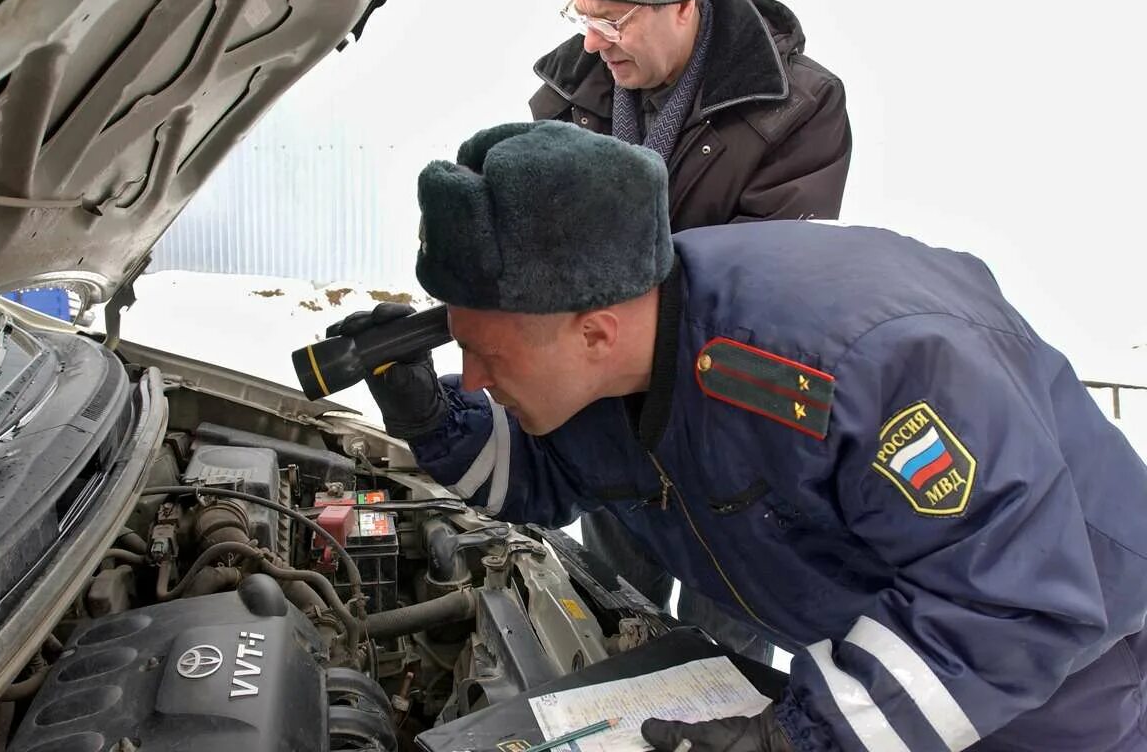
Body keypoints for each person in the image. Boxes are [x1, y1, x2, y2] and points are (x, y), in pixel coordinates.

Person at [329, 121, 1147, 752]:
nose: (471, 375)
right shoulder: (616, 347)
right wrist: (434, 419)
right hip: (888, 652)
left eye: (485, 355)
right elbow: (548, 478)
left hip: (1056, 682)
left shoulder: (857, 366)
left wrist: (795, 737)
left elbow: (1015, 601)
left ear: (594, 332)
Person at [529, 0, 853, 662]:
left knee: (725, 656)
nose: (590, 43)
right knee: (609, 624)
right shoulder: (568, 93)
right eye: (579, 17)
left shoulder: (798, 107)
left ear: (683, 5)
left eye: (611, 21)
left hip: (732, 440)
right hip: (612, 421)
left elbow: (766, 288)